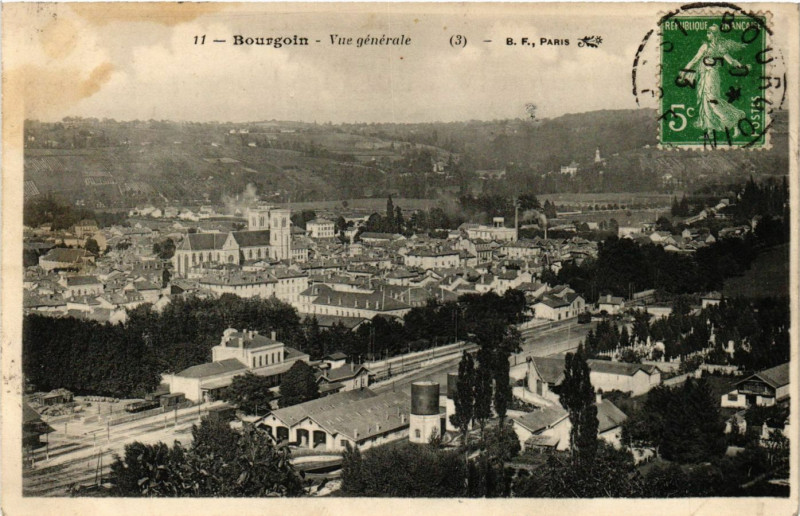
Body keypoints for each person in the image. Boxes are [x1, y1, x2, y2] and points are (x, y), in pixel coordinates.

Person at [679, 25, 749, 134]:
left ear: (715, 34)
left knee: (713, 101)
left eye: (710, 33)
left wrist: (741, 66)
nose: (708, 35)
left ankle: (734, 120)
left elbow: (731, 61)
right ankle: (710, 130)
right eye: (707, 33)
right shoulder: (705, 46)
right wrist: (685, 71)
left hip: (712, 76)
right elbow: (695, 60)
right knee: (705, 101)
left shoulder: (720, 47)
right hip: (704, 76)